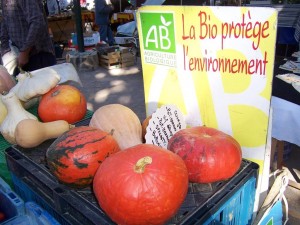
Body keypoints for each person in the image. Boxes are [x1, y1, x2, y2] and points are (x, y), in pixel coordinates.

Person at [0, 0, 57, 76]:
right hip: (20, 59)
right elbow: (4, 25)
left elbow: (37, 22)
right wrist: (5, 52)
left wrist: (25, 52)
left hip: (39, 58)